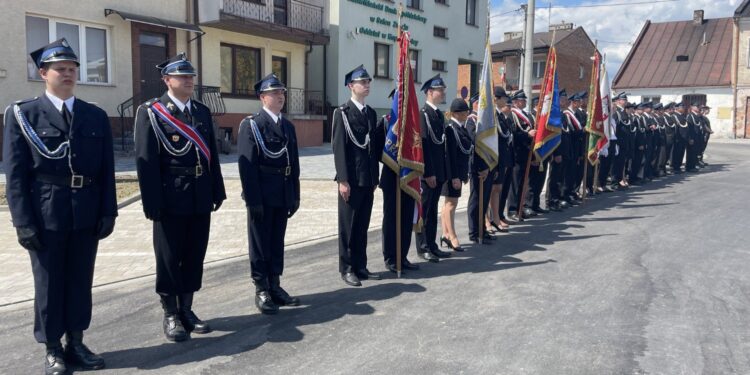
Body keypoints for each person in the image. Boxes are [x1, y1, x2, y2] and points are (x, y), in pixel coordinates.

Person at [4, 38, 117, 374]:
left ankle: (76, 342)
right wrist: (22, 221)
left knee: (81, 280)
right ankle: (52, 347)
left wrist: (108, 210)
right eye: (60, 69)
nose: (68, 74)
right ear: (43, 73)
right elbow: (16, 175)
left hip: (85, 210)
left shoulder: (94, 115)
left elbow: (106, 170)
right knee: (49, 284)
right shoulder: (24, 114)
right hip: (45, 213)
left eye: (72, 69)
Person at [135, 53, 226, 341]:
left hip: (199, 193)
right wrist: (151, 202)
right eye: (182, 76)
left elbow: (211, 152)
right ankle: (171, 313)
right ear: (167, 80)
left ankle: (187, 308)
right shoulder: (151, 112)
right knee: (169, 256)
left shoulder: (200, 111)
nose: (189, 80)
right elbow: (146, 162)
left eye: (191, 76)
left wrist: (217, 189)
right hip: (170, 195)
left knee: (194, 254)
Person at [238, 73, 301, 314]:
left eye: (282, 92)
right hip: (262, 194)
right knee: (260, 242)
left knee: (276, 241)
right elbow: (247, 167)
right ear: (263, 97)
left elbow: (293, 163)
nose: (280, 96)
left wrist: (295, 194)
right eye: (275, 93)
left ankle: (275, 284)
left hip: (282, 191)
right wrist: (252, 199)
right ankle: (261, 287)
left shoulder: (288, 126)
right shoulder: (252, 124)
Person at [332, 65, 384, 287]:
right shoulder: (342, 113)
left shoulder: (371, 113)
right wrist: (343, 180)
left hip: (368, 179)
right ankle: (347, 268)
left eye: (368, 81)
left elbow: (372, 149)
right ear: (350, 86)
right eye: (362, 82)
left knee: (362, 225)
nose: (367, 85)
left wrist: (375, 178)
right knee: (348, 227)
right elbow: (339, 148)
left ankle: (361, 266)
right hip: (351, 180)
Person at [416, 74, 452, 262]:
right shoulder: (423, 115)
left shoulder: (438, 114)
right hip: (428, 174)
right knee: (425, 210)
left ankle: (431, 244)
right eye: (440, 90)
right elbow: (423, 146)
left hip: (438, 172)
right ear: (430, 92)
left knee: (433, 210)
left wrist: (442, 172)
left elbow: (441, 146)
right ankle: (423, 247)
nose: (443, 92)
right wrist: (428, 172)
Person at [440, 98, 473, 252]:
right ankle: (452, 236)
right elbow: (450, 156)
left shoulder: (461, 128)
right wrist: (454, 177)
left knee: (449, 204)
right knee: (451, 204)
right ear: (456, 113)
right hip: (452, 174)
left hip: (458, 173)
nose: (467, 113)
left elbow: (465, 152)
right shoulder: (451, 129)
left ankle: (446, 234)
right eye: (464, 111)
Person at [467, 94, 495, 244]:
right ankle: (474, 231)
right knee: (476, 200)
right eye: (481, 103)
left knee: (484, 201)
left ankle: (482, 230)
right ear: (475, 104)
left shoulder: (486, 121)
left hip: (488, 166)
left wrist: (490, 166)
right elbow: (476, 143)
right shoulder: (471, 121)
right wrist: (482, 167)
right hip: (477, 167)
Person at [508, 90, 537, 220]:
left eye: (525, 100)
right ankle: (512, 209)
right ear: (515, 102)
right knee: (515, 183)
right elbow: (514, 134)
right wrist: (527, 134)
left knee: (523, 183)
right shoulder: (512, 115)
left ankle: (521, 207)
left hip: (527, 153)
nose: (525, 101)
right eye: (522, 100)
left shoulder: (528, 115)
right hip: (517, 153)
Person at [488, 87, 514, 230]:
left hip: (502, 157)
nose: (505, 100)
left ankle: (496, 217)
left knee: (497, 189)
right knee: (492, 189)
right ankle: (489, 219)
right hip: (495, 158)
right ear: (496, 99)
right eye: (503, 98)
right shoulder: (492, 116)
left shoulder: (501, 116)